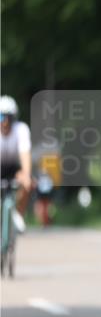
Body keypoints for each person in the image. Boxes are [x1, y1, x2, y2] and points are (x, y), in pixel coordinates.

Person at [0, 96, 32, 233]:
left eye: (9, 117)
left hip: (15, 167)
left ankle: (18, 214)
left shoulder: (21, 129)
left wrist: (26, 174)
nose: (5, 122)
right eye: (1, 117)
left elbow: (25, 154)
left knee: (27, 182)